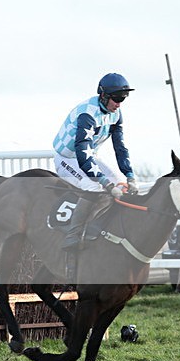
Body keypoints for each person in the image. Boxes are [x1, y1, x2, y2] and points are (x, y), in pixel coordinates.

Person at [53, 73, 138, 263]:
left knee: (120, 182)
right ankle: (73, 235)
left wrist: (130, 175)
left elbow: (120, 148)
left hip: (88, 156)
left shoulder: (116, 114)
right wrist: (106, 184)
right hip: (68, 158)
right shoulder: (87, 114)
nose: (119, 103)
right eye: (117, 98)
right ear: (103, 96)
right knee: (94, 186)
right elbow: (82, 155)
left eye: (123, 99)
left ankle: (102, 225)